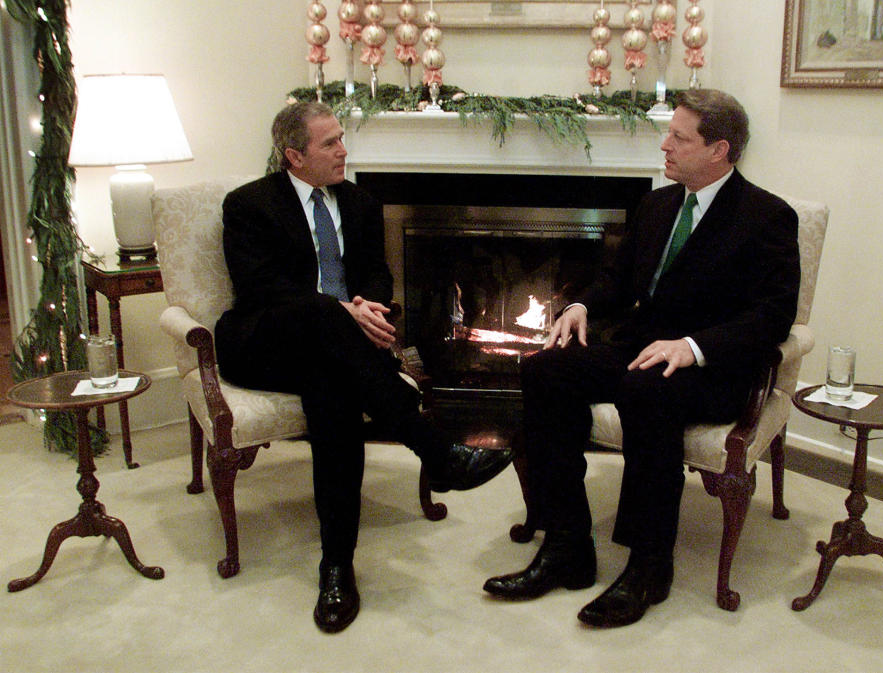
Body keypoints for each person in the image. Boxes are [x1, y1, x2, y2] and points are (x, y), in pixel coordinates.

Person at [483, 89, 801, 628]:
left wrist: (694, 347)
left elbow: (773, 316)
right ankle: (567, 546)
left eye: (679, 136)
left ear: (720, 149)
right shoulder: (657, 205)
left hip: (711, 367)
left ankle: (649, 564)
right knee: (544, 370)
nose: (664, 144)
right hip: (640, 349)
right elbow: (616, 279)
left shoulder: (767, 216)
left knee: (645, 390)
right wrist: (580, 305)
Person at [214, 101, 513, 633]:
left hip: (332, 353)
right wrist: (343, 312)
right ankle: (435, 449)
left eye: (341, 138)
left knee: (333, 389)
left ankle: (337, 566)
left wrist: (369, 306)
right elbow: (262, 288)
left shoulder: (359, 202)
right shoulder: (249, 204)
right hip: (263, 342)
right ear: (293, 155)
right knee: (319, 315)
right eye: (329, 143)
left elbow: (376, 273)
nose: (343, 150)